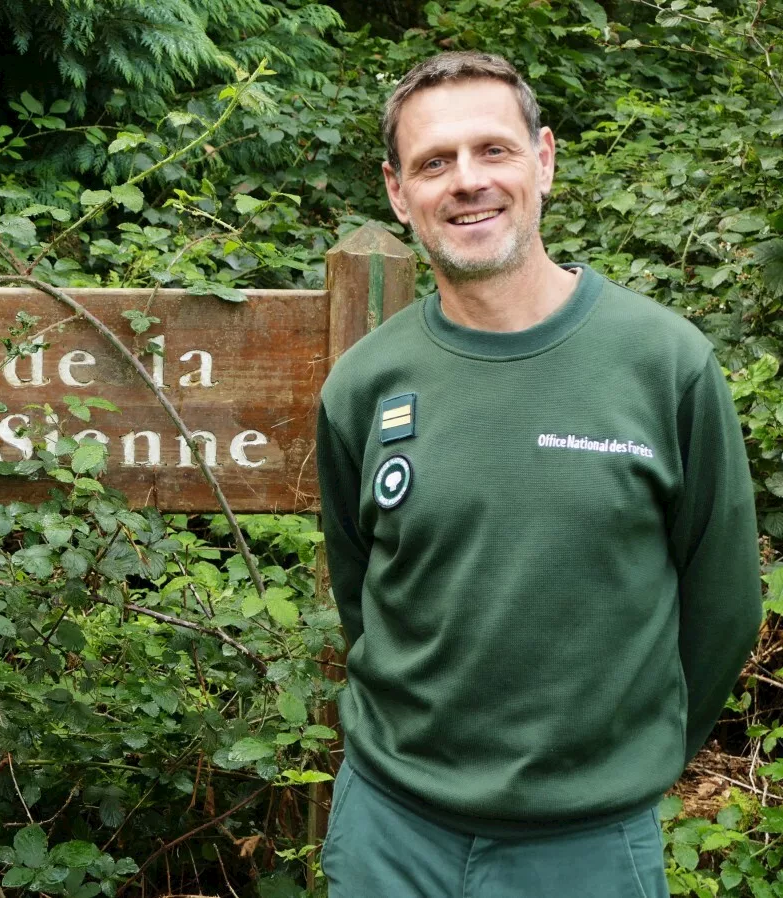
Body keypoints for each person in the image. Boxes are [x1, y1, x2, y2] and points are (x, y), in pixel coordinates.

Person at [315, 51, 761, 897]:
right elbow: (360, 594)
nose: (466, 181)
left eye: (493, 150)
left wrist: (630, 760)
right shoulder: (365, 384)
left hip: (585, 847)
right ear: (396, 191)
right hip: (389, 833)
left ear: (544, 160)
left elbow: (725, 605)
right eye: (433, 163)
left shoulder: (664, 364)